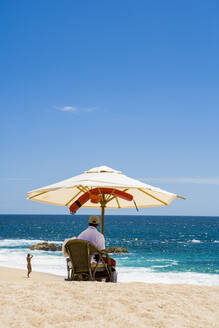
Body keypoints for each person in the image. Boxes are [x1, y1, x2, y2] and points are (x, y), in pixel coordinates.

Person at [78, 215, 117, 283]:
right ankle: (110, 282)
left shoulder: (81, 235)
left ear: (88, 223)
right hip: (93, 264)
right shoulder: (99, 235)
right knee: (112, 262)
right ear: (98, 224)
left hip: (80, 262)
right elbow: (102, 251)